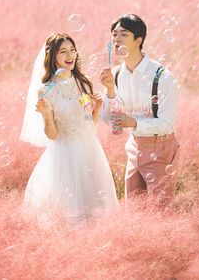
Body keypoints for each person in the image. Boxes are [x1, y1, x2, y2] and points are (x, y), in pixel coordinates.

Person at [20, 33, 118, 224]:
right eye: (63, 51)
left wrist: (96, 108)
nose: (70, 55)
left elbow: (89, 124)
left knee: (96, 212)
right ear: (52, 57)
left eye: (72, 50)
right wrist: (47, 114)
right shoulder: (46, 90)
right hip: (65, 155)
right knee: (72, 215)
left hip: (90, 150)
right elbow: (52, 135)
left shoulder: (82, 83)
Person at [100, 14, 180, 206]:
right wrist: (110, 91)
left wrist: (134, 123)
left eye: (123, 34)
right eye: (114, 34)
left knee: (160, 212)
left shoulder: (162, 76)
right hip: (134, 148)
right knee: (134, 212)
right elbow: (108, 118)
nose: (117, 40)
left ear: (138, 40)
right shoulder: (116, 75)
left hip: (160, 149)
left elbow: (167, 125)